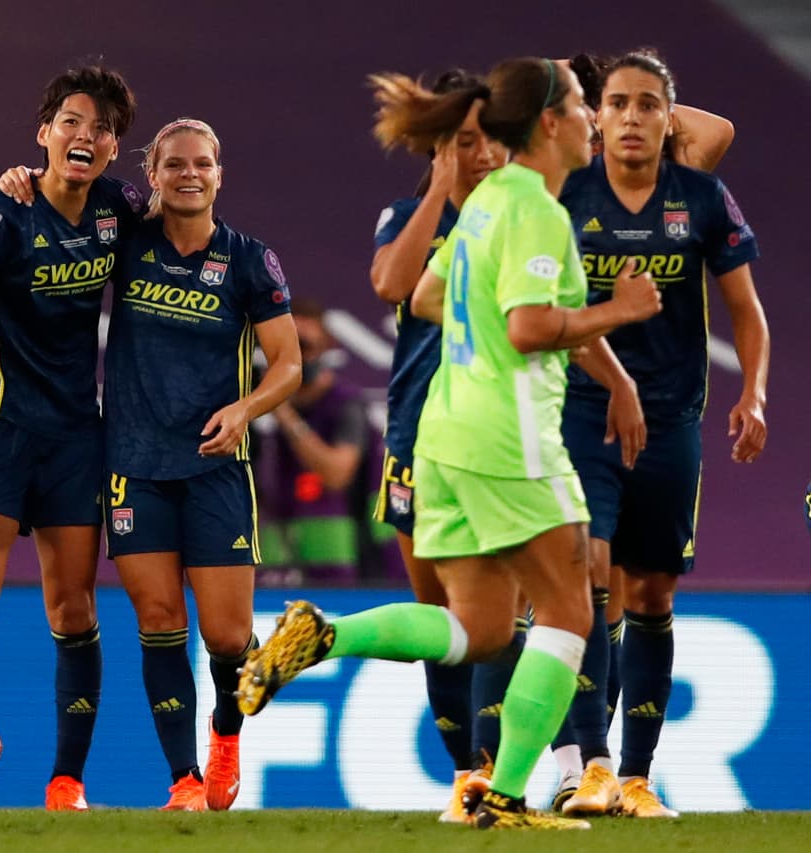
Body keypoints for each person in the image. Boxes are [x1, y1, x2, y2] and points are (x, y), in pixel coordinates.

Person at [238, 57, 662, 831]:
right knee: (572, 611)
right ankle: (503, 795)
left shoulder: (487, 202)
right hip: (510, 436)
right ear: (547, 123)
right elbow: (530, 327)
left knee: (480, 629)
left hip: (442, 437)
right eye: (579, 105)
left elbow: (427, 294)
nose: (592, 120)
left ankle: (325, 632)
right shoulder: (532, 209)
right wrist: (620, 310)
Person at [554, 50, 767, 819]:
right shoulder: (564, 195)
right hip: (580, 409)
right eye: (617, 105)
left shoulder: (700, 196)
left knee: (649, 593)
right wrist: (615, 382)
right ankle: (592, 766)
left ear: (666, 113)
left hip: (674, 414)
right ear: (593, 117)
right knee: (586, 582)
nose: (634, 118)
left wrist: (758, 392)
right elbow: (554, 311)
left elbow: (746, 307)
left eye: (649, 105)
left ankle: (638, 777)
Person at [0, 64, 140, 812]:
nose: (86, 137)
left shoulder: (119, 210)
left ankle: (67, 781)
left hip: (75, 437)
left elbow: (182, 223)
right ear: (44, 133)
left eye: (102, 128)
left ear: (115, 149)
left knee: (74, 612)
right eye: (73, 122)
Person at [102, 117, 301, 810]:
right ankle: (183, 780)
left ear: (221, 174)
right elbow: (61, 202)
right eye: (175, 164)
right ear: (152, 176)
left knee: (225, 635)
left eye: (203, 164)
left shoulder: (249, 260)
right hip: (133, 462)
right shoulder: (125, 243)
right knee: (158, 619)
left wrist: (245, 410)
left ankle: (225, 734)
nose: (190, 174)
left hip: (217, 466)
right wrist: (19, 182)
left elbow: (289, 365)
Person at [368, 68, 519, 822]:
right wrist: (439, 187)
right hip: (416, 442)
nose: (481, 152)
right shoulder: (407, 214)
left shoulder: (527, 216)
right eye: (464, 140)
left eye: (490, 137)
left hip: (500, 440)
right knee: (445, 625)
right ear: (436, 146)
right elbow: (392, 285)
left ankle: (507, 767)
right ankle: (467, 774)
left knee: (504, 619)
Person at [259, 297, 373, 587]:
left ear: (325, 349)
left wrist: (285, 414)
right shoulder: (250, 403)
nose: (294, 356)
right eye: (285, 347)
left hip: (338, 563)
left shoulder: (346, 404)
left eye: (304, 346)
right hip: (274, 560)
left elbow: (337, 474)